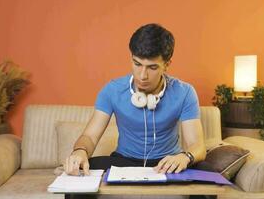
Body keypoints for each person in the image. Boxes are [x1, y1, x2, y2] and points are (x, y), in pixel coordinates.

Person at [64, 23, 206, 177]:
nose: (142, 75)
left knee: (204, 171)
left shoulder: (185, 92)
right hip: (124, 161)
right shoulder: (112, 90)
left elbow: (196, 145)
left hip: (167, 162)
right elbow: (90, 136)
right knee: (82, 169)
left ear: (166, 65)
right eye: (137, 64)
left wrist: (186, 157)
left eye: (152, 67)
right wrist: (80, 151)